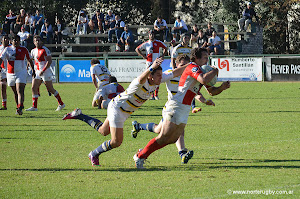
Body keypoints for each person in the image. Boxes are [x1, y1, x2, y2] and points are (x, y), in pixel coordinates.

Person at [62, 57, 189, 167]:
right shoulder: (138, 83)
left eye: (161, 75)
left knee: (103, 131)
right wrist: (151, 68)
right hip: (117, 109)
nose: (161, 78)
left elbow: (177, 72)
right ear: (150, 75)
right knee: (116, 142)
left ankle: (79, 115)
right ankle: (93, 154)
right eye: (158, 75)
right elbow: (141, 78)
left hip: (125, 111)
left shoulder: (157, 79)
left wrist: (193, 65)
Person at [132, 48, 231, 169]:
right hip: (176, 105)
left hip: (184, 108)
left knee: (172, 139)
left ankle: (143, 153)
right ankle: (140, 156)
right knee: (163, 136)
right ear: (197, 58)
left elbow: (212, 92)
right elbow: (204, 79)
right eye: (205, 57)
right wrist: (215, 70)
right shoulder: (192, 67)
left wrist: (222, 87)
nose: (207, 59)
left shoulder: (201, 70)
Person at [131, 54, 205, 164]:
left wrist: (200, 97)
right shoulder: (171, 74)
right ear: (176, 64)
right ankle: (182, 153)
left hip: (181, 108)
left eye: (186, 65)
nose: (183, 67)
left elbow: (193, 91)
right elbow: (158, 78)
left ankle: (138, 126)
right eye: (181, 65)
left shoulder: (189, 75)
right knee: (173, 133)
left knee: (158, 130)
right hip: (172, 107)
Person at [25, 35, 65, 112]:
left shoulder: (45, 50)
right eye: (36, 40)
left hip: (45, 72)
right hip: (37, 71)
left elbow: (49, 61)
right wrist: (27, 67)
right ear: (34, 42)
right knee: (33, 87)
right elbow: (30, 59)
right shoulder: (33, 51)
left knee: (50, 89)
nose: (37, 42)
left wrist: (43, 70)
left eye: (39, 40)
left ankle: (61, 104)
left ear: (41, 41)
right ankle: (34, 106)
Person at [0, 34, 35, 115]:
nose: (16, 42)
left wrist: (33, 70)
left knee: (20, 90)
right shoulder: (7, 49)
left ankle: (20, 106)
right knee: (15, 92)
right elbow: (1, 59)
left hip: (21, 72)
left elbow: (29, 59)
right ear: (11, 41)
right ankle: (18, 107)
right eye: (14, 40)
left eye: (17, 40)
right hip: (10, 73)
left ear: (20, 41)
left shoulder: (23, 49)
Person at [135, 30, 167, 100]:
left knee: (158, 77)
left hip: (156, 62)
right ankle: (149, 94)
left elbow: (166, 48)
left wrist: (162, 56)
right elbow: (137, 49)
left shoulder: (158, 42)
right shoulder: (146, 43)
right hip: (149, 63)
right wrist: (143, 56)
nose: (151, 35)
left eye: (152, 34)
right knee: (148, 78)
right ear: (148, 35)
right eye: (150, 34)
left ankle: (156, 95)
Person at [0, 35, 10, 110]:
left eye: (7, 39)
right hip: (2, 69)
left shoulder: (11, 48)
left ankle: (18, 104)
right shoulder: (0, 48)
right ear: (1, 40)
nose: (6, 40)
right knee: (3, 87)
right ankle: (4, 105)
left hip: (11, 70)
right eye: (4, 39)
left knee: (14, 87)